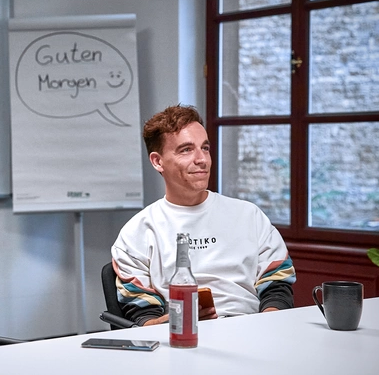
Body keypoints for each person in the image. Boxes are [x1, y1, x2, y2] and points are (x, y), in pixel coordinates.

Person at [111, 104, 296, 326]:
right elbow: (142, 317)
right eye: (186, 150)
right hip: (179, 341)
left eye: (205, 148)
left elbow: (277, 285)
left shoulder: (249, 216)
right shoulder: (136, 233)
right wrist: (180, 321)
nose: (202, 159)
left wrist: (267, 328)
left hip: (252, 331)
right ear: (157, 161)